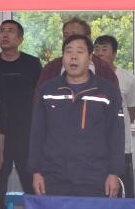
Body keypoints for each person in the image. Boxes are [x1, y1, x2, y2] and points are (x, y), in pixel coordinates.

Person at [29, 34, 125, 198]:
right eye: (68, 52)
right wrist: (36, 171)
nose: (73, 57)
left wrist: (114, 173)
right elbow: (37, 133)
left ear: (90, 58)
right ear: (62, 57)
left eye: (80, 52)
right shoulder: (48, 90)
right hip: (53, 176)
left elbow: (116, 135)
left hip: (95, 178)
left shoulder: (107, 91)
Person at [0, 20, 43, 207]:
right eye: (2, 31)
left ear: (20, 39)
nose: (5, 35)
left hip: (26, 134)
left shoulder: (32, 64)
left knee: (32, 184)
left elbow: (39, 98)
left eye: (10, 31)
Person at [93, 34, 135, 198]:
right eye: (96, 49)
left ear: (114, 53)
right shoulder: (88, 77)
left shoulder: (127, 78)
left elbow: (132, 111)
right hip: (94, 147)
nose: (99, 53)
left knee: (123, 192)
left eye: (104, 49)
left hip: (121, 146)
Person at [37, 17, 120, 88]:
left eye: (75, 35)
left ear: (88, 37)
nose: (69, 39)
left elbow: (114, 98)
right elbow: (39, 97)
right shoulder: (51, 68)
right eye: (66, 36)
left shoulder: (104, 69)